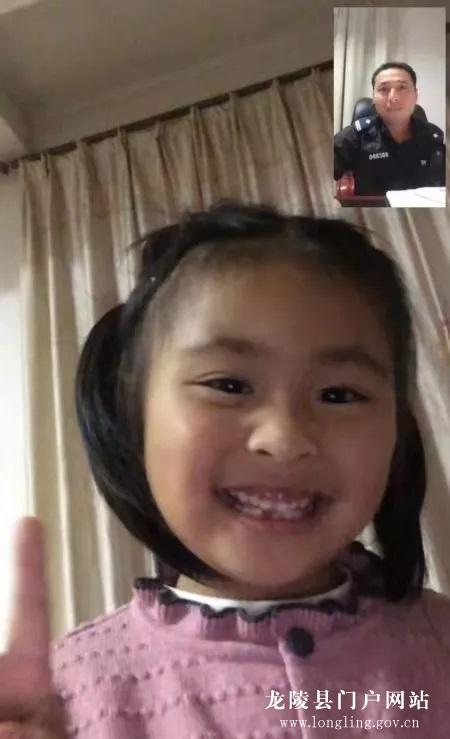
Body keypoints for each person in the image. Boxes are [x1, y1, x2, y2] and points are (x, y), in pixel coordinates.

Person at [1, 200, 450, 738]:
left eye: (339, 394)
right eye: (229, 385)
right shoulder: (70, 700)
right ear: (135, 415)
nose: (284, 439)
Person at [334, 62, 446, 195]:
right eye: (383, 89)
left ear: (415, 95)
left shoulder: (435, 136)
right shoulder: (356, 134)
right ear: (374, 97)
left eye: (402, 87)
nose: (393, 98)